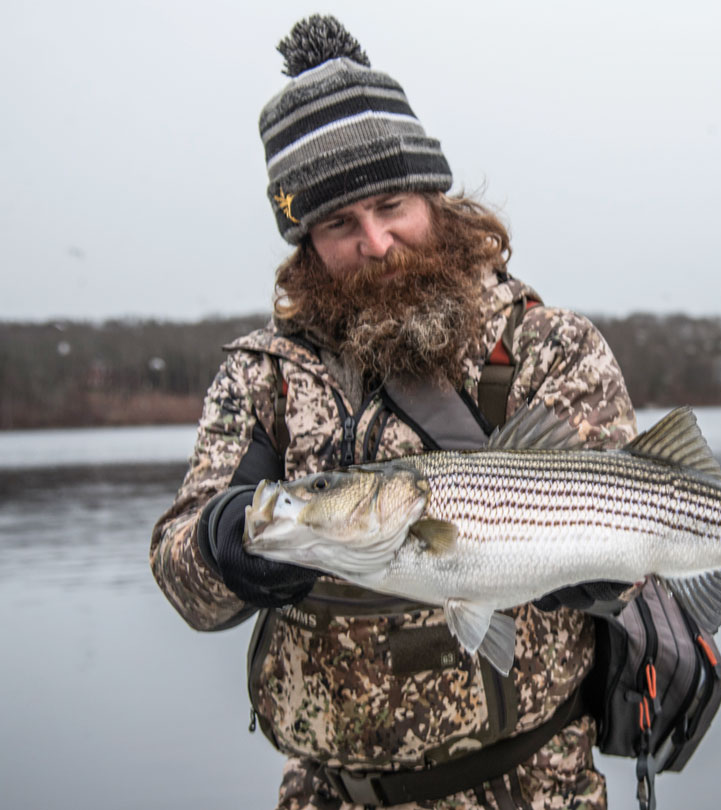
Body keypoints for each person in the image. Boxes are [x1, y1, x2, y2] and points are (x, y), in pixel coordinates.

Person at [150, 15, 637, 810]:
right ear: (304, 240)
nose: (376, 243)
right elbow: (185, 583)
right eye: (339, 223)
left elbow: (641, 554)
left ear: (436, 199)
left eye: (391, 205)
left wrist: (601, 577)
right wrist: (222, 543)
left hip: (530, 787)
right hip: (330, 795)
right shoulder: (264, 375)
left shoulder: (550, 346)